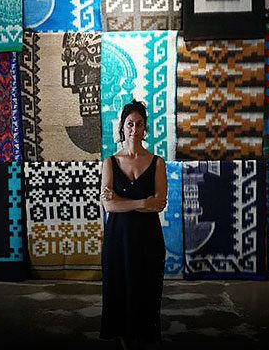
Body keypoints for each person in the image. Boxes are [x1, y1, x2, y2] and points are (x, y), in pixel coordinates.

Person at [99, 100, 168, 349]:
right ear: (122, 126)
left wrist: (122, 201)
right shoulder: (110, 162)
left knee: (146, 292)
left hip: (148, 239)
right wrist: (142, 202)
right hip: (118, 239)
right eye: (130, 124)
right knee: (119, 292)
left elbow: (159, 204)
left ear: (145, 128)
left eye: (139, 124)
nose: (134, 129)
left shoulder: (157, 162)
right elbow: (108, 206)